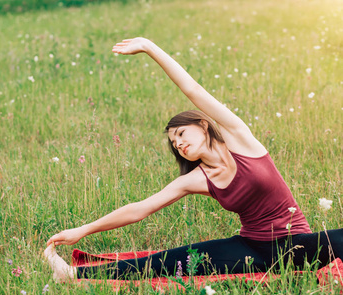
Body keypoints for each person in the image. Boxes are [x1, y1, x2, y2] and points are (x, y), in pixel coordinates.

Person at [44, 37, 342, 282]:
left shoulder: (240, 139)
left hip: (297, 244)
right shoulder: (196, 178)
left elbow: (193, 90)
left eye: (182, 133)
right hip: (252, 247)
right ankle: (71, 273)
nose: (179, 143)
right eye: (174, 142)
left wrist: (149, 47)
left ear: (203, 125)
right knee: (174, 259)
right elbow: (139, 209)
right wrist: (82, 230)